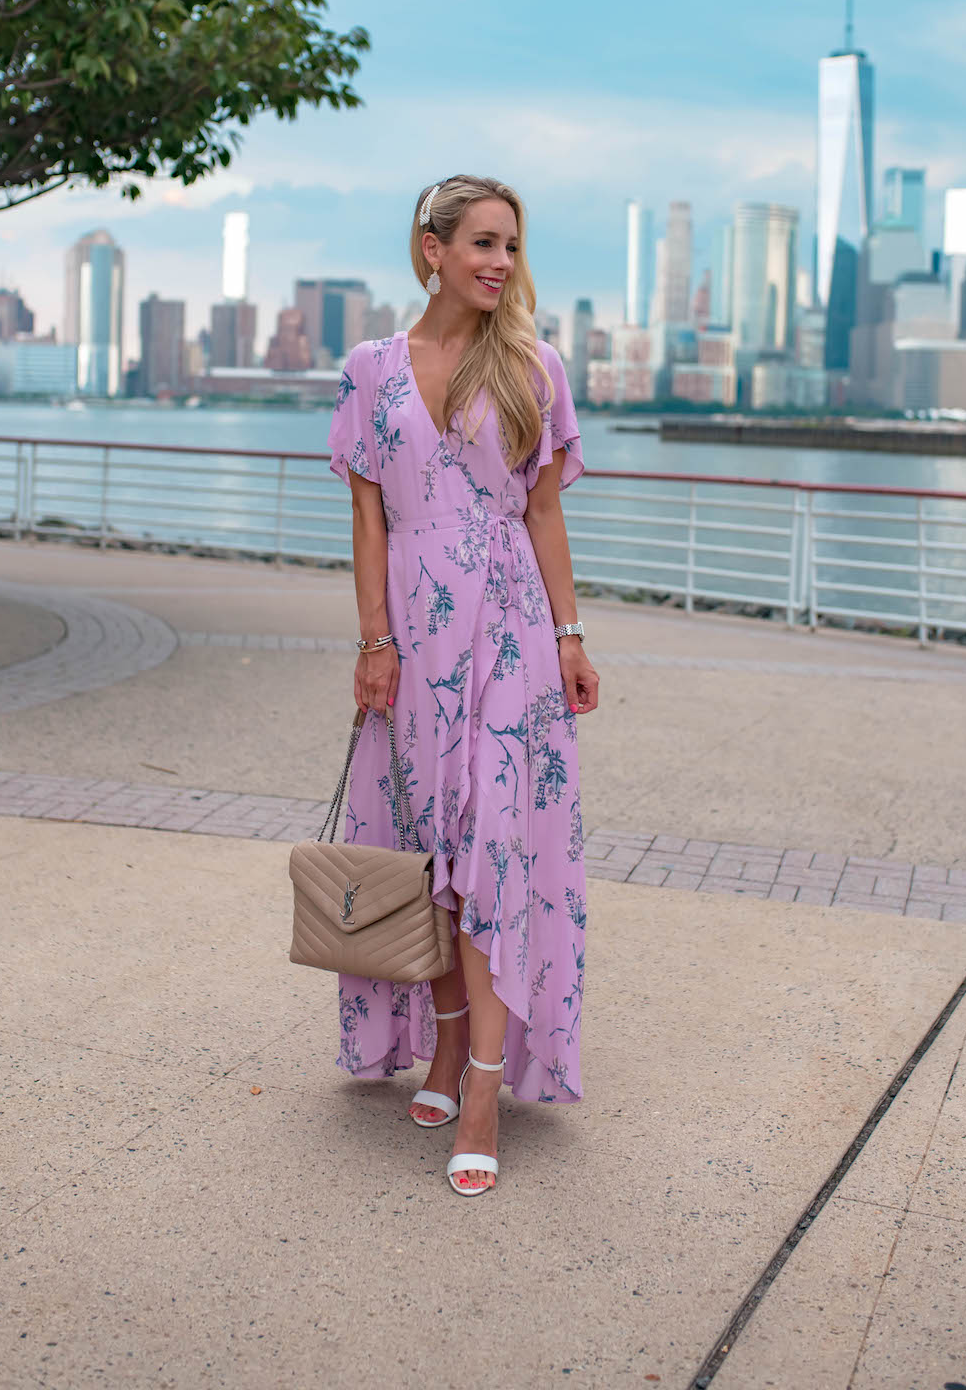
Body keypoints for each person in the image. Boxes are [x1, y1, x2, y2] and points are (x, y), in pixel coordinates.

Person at [327, 174, 600, 1198]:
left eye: (512, 247)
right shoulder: (369, 370)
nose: (500, 263)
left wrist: (571, 638)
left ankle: (484, 1083)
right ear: (429, 248)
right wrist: (373, 642)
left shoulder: (533, 364)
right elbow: (368, 520)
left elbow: (543, 517)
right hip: (414, 643)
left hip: (512, 640)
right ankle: (443, 1047)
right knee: (425, 850)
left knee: (488, 851)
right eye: (483, 242)